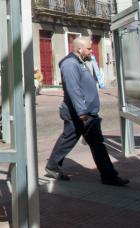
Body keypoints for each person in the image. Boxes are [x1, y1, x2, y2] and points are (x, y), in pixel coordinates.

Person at [44, 35, 129, 186]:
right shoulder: (70, 64)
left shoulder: (80, 62)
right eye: (89, 49)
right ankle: (53, 166)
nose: (92, 51)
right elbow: (73, 89)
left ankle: (108, 175)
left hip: (87, 113)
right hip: (79, 114)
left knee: (93, 143)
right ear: (79, 49)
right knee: (71, 140)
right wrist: (82, 112)